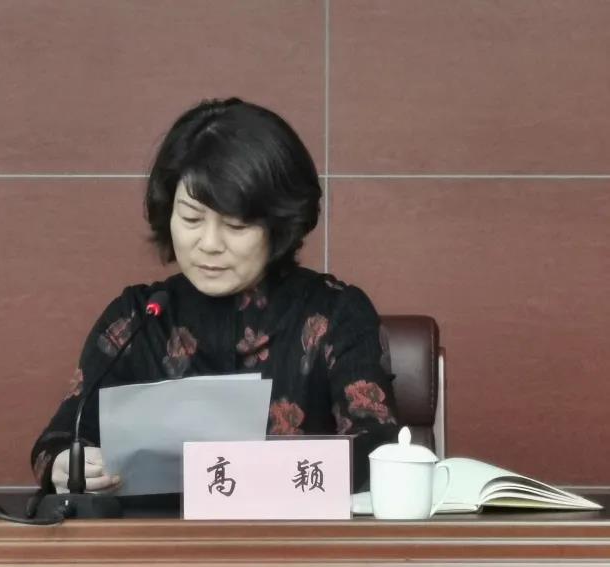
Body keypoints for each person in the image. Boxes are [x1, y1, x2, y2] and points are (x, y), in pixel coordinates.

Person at [31, 97, 399, 495]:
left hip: (291, 533)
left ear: (280, 226)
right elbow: (60, 440)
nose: (208, 244)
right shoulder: (139, 317)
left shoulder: (335, 313)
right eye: (191, 218)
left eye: (236, 226)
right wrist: (66, 465)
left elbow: (377, 448)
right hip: (152, 535)